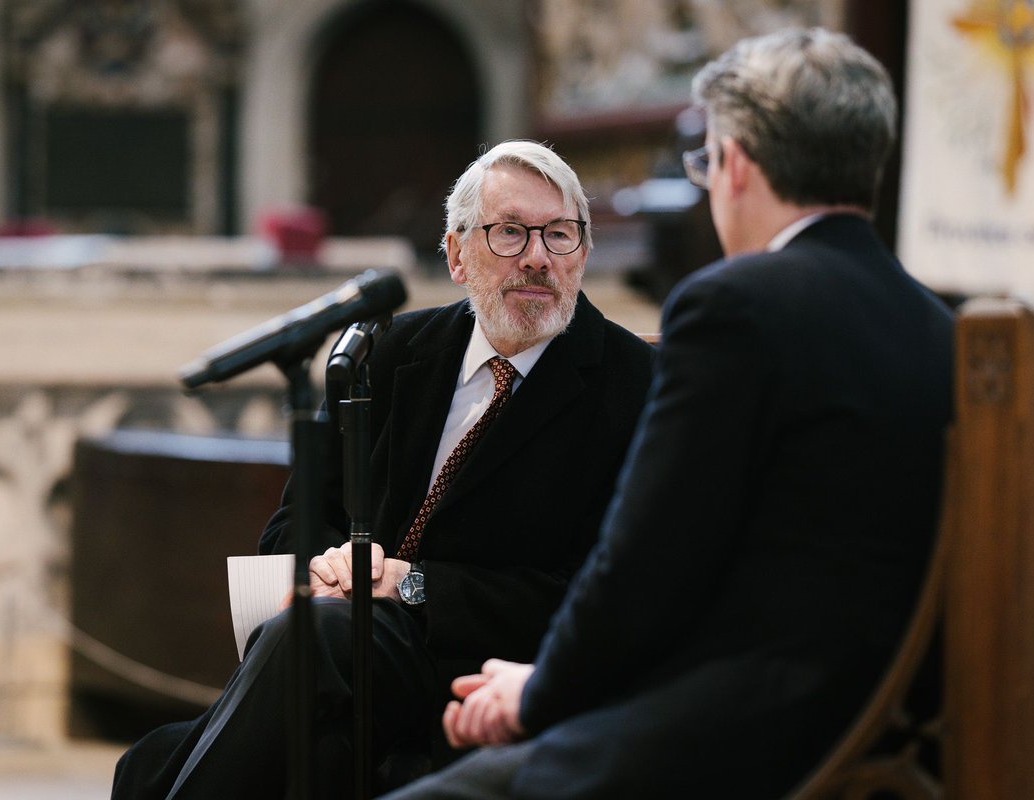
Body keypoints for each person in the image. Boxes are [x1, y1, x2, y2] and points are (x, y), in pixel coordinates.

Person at [382, 27, 955, 800]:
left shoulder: (735, 307)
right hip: (894, 714)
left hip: (751, 729)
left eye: (704, 163)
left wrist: (538, 689)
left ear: (736, 164)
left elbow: (646, 564)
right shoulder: (937, 324)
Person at [110, 140, 656, 798]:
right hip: (344, 659)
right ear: (457, 255)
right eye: (510, 232)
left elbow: (600, 591)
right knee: (152, 762)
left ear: (584, 254)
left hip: (484, 666)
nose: (538, 257)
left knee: (301, 659)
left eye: (560, 235)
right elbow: (291, 527)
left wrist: (410, 583)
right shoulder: (390, 352)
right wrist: (327, 564)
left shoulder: (635, 386)